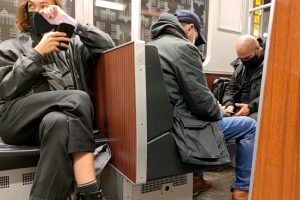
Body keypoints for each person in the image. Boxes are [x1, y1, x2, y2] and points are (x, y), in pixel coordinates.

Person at [0, 0, 114, 200]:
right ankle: (90, 192)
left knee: (59, 123)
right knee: (78, 98)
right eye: (31, 6)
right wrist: (36, 54)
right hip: (16, 119)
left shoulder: (73, 47)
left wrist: (74, 24)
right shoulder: (10, 47)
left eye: (43, 4)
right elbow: (5, 90)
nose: (37, 10)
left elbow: (108, 46)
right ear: (25, 12)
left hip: (52, 122)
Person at [148, 9, 256, 200]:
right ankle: (242, 189)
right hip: (181, 127)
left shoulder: (151, 46)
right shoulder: (184, 48)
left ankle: (196, 180)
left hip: (160, 122)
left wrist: (215, 106)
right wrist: (220, 111)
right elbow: (202, 104)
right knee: (249, 126)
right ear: (190, 28)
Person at [222, 35, 265, 121]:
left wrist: (250, 107)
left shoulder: (270, 66)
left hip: (258, 109)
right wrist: (229, 104)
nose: (244, 61)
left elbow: (270, 94)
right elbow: (230, 89)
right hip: (238, 108)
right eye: (241, 58)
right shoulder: (240, 66)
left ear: (258, 49)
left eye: (247, 58)